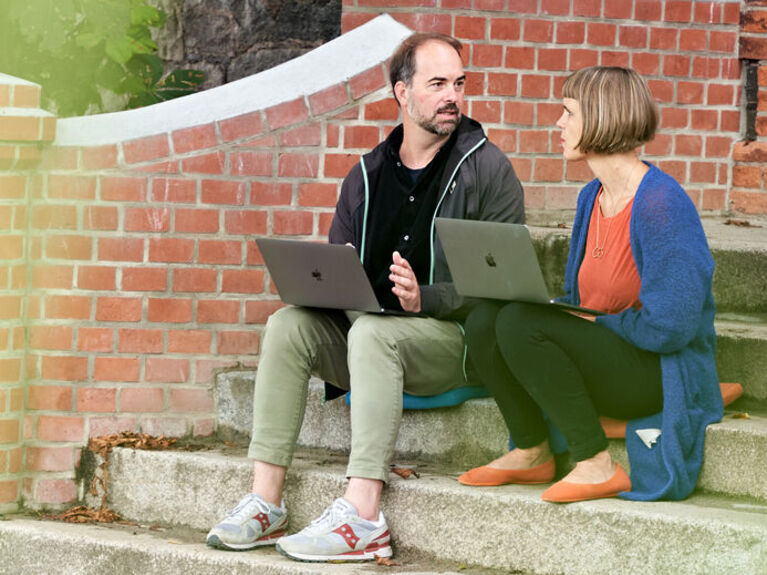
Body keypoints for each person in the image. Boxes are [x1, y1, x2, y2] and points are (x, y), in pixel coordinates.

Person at [206, 32, 525, 561]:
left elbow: (505, 285)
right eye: (438, 84)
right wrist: (324, 290)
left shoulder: (486, 169)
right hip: (369, 335)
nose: (453, 96)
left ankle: (364, 514)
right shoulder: (366, 174)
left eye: (460, 84)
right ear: (402, 92)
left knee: (375, 333)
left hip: (452, 340)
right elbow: (339, 266)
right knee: (287, 324)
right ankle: (265, 504)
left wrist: (429, 298)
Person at [458, 66, 722, 503]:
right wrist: (570, 311)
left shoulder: (661, 204)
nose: (558, 124)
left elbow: (673, 326)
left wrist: (594, 323)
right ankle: (531, 449)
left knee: (522, 322)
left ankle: (596, 462)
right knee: (487, 317)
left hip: (656, 369)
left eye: (568, 113)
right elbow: (583, 300)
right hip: (612, 355)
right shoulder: (591, 196)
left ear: (601, 117)